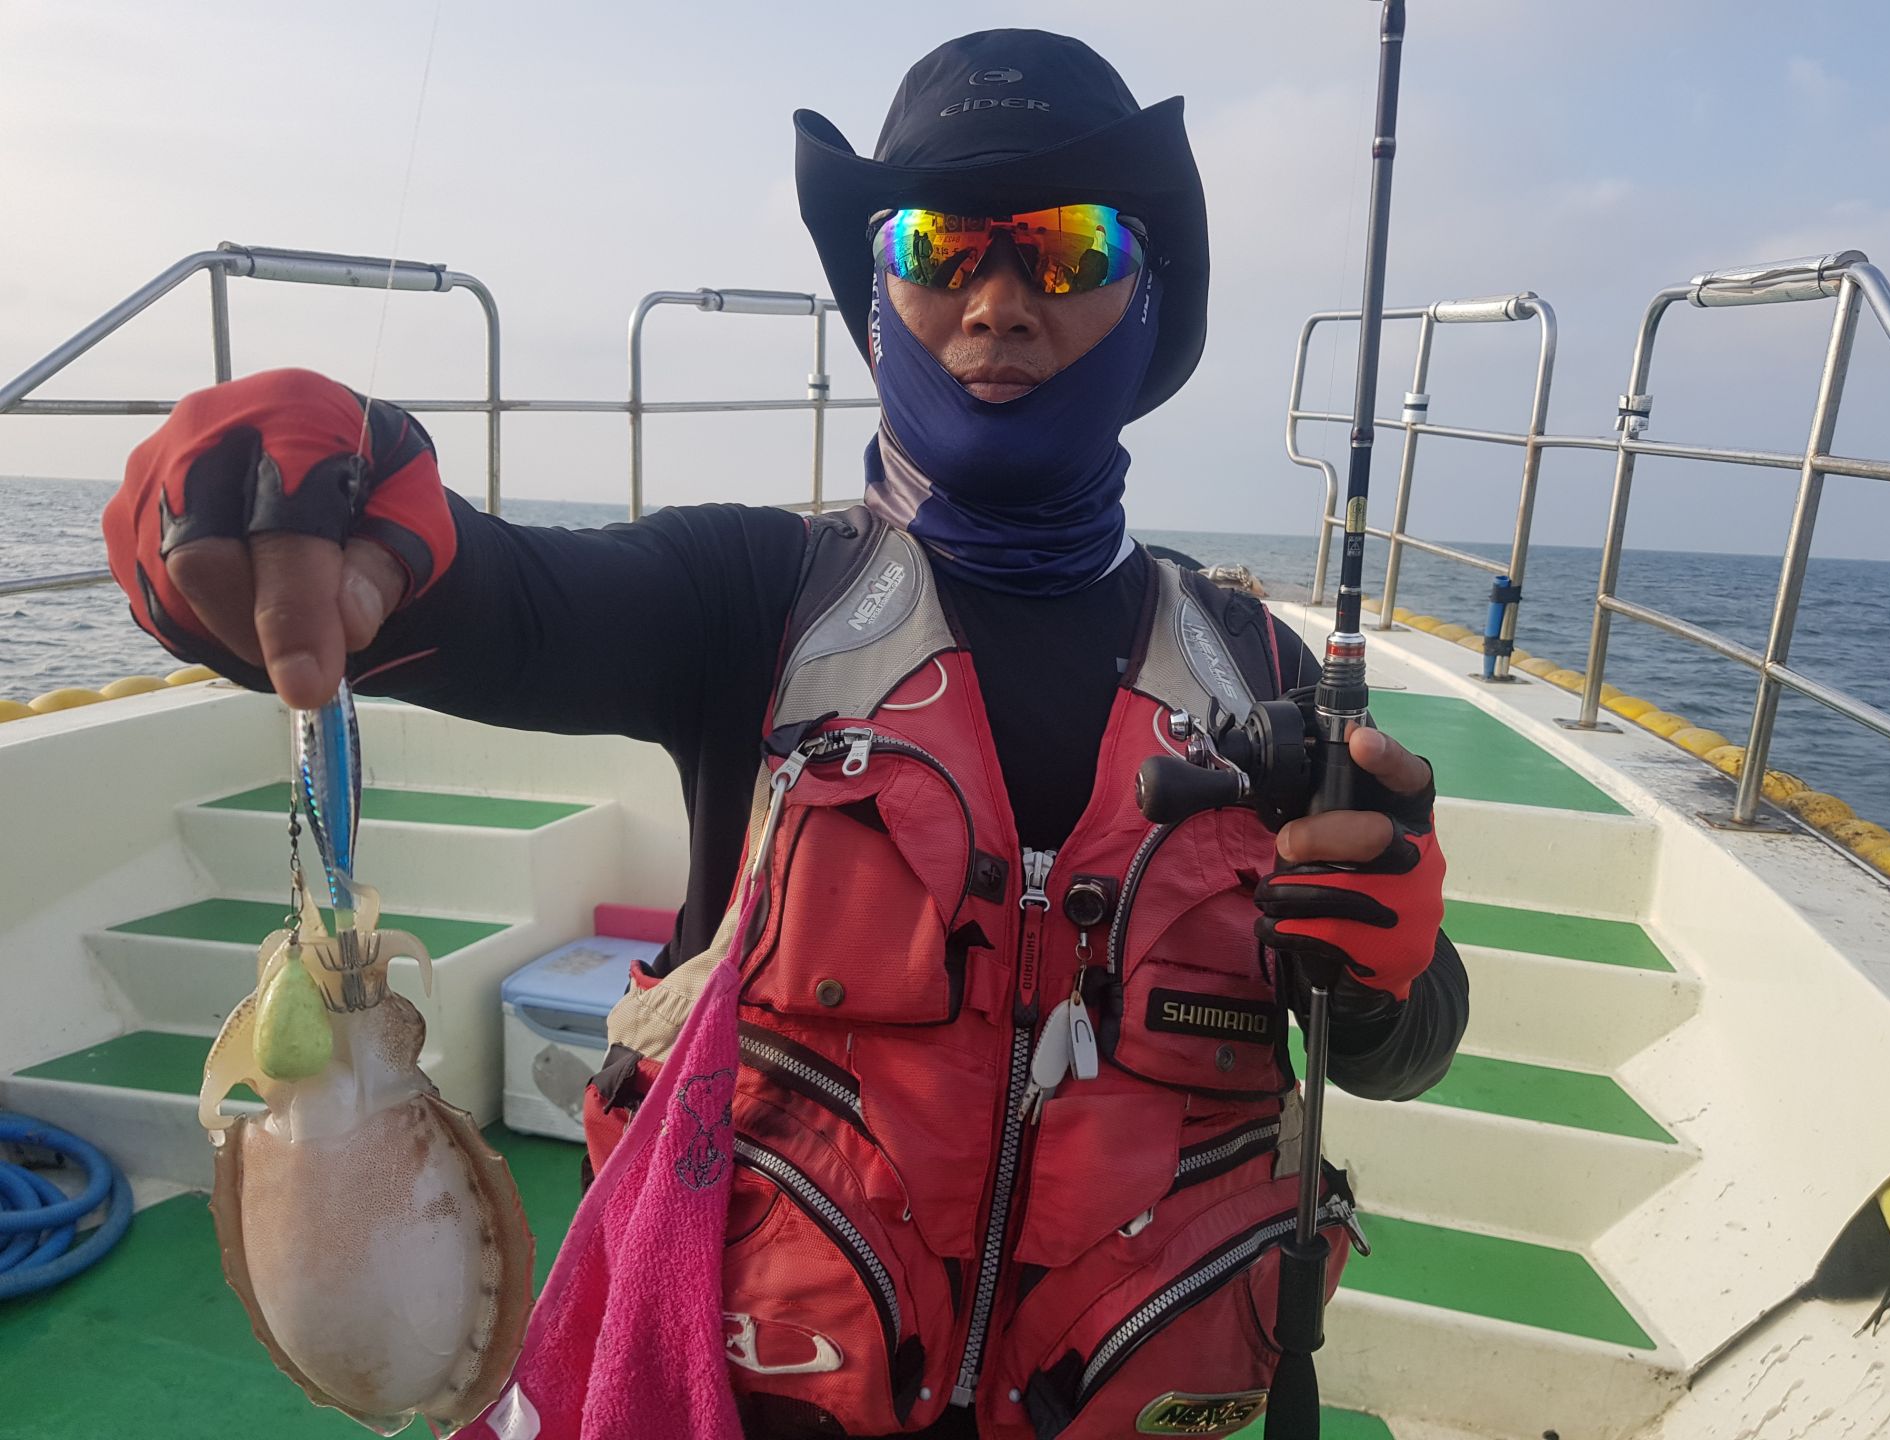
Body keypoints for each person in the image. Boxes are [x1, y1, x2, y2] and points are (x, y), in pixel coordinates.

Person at [104, 29, 1466, 1440]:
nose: (998, 302)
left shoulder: (1267, 676)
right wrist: (286, 506)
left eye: (1069, 250)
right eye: (939, 246)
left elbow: (1402, 1047)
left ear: (1146, 293)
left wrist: (1390, 969)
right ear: (876, 300)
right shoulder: (751, 598)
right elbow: (496, 602)